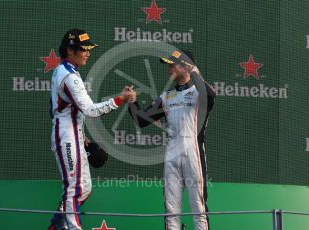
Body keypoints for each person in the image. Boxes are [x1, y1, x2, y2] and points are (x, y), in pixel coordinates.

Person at [48, 29, 135, 230]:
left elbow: (67, 109)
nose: (88, 53)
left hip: (73, 133)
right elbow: (89, 110)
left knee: (84, 189)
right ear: (70, 50)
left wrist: (82, 135)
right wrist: (120, 99)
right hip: (66, 136)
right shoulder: (69, 76)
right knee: (73, 190)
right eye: (84, 49)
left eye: (89, 49)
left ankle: (56, 227)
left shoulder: (68, 70)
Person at [128, 50, 215, 230]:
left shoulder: (199, 92)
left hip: (194, 153)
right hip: (171, 154)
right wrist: (132, 102)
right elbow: (141, 120)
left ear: (185, 66)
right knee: (170, 211)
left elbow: (211, 94)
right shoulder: (167, 97)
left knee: (198, 209)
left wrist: (194, 72)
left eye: (172, 65)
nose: (168, 69)